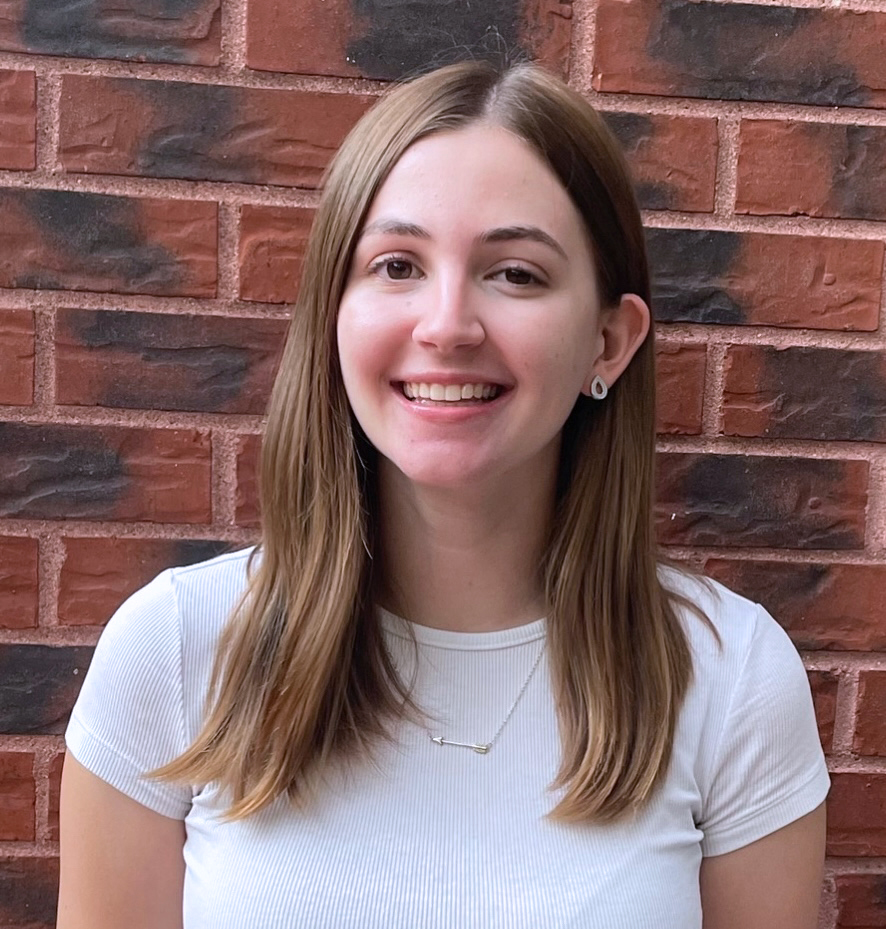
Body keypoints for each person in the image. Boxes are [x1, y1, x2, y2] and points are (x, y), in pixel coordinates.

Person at [57, 61, 829, 929]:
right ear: (332, 314)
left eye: (516, 274)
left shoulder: (728, 678)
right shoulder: (174, 650)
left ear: (609, 343)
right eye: (396, 264)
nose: (448, 324)